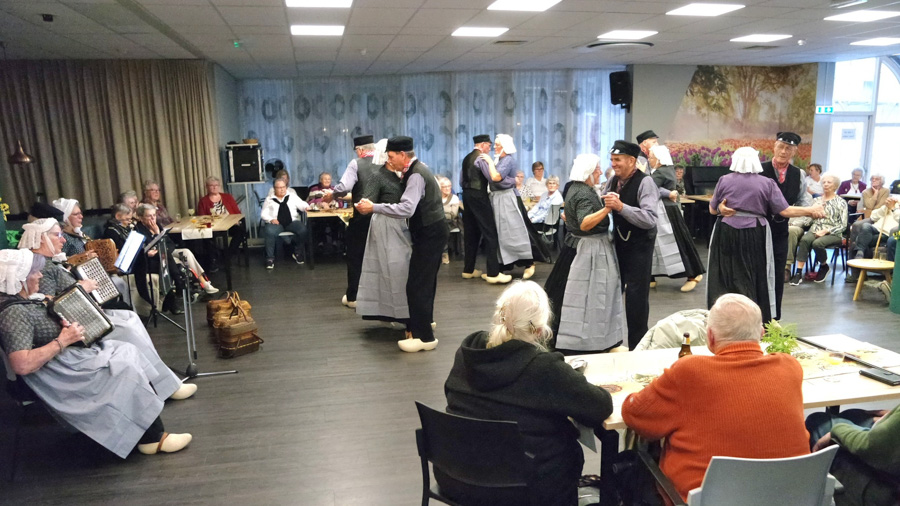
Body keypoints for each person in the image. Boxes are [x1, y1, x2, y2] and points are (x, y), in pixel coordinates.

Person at [0, 248, 193, 458]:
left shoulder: (25, 300)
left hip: (66, 357)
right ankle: (152, 438)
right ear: (18, 278)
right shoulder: (13, 312)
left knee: (128, 350)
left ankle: (148, 422)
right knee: (123, 364)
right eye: (34, 272)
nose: (39, 275)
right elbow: (21, 364)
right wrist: (62, 339)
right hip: (57, 370)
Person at [622, 293, 811, 502]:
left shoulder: (690, 371)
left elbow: (634, 415)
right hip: (786, 498)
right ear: (762, 333)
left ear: (710, 337)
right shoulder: (790, 367)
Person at [443, 280, 614, 506]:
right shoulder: (543, 368)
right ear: (541, 330)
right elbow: (600, 406)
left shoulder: (467, 353)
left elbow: (450, 393)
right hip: (526, 488)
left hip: (458, 476)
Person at [709, 147, 823, 322]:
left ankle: (726, 317)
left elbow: (712, 209)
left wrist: (721, 209)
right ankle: (752, 318)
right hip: (754, 232)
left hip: (727, 231)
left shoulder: (724, 180)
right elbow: (785, 211)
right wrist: (811, 210)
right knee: (754, 273)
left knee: (728, 272)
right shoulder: (766, 183)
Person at [356, 136, 448, 352]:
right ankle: (423, 326)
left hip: (429, 233)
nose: (390, 161)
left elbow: (407, 209)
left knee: (417, 285)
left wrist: (375, 207)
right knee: (423, 283)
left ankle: (423, 336)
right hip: (432, 231)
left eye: (392, 157)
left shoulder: (416, 175)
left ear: (402, 155)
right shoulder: (419, 169)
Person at [543, 154, 624, 353]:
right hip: (589, 249)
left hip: (574, 245)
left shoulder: (574, 187)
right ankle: (583, 342)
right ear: (588, 172)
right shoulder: (584, 193)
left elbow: (570, 216)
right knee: (589, 295)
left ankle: (554, 336)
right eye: (597, 168)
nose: (599, 171)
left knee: (561, 293)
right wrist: (607, 209)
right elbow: (585, 223)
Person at [603, 140, 658, 350]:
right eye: (612, 160)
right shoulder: (612, 181)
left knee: (636, 299)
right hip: (618, 242)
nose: (613, 164)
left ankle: (638, 348)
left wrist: (621, 207)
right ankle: (613, 343)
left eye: (617, 160)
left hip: (640, 247)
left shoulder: (646, 183)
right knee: (613, 293)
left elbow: (649, 218)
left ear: (632, 161)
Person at [753, 132, 811, 320]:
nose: (784, 151)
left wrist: (799, 219)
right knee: (757, 271)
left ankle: (773, 317)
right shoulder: (759, 169)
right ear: (774, 147)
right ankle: (753, 316)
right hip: (758, 229)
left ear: (794, 151)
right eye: (781, 147)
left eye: (789, 148)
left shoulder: (799, 174)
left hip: (780, 231)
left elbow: (803, 200)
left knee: (778, 274)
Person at [355, 139, 411, 326]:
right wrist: (366, 205)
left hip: (399, 223)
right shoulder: (377, 176)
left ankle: (402, 311)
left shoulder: (399, 175)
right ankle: (393, 312)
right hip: (385, 224)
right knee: (391, 269)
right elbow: (366, 203)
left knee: (399, 269)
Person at [323, 135, 378, 308]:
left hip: (362, 218)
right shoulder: (385, 163)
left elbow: (345, 187)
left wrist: (332, 194)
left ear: (360, 150)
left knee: (356, 256)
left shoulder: (356, 164)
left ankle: (353, 297)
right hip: (383, 216)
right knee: (380, 257)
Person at [806, 405, 900, 506]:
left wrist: (835, 431)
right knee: (854, 414)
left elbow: (871, 446)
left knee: (819, 421)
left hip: (891, 489)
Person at [647, 145, 705, 292]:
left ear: (659, 160)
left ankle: (694, 273)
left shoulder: (661, 172)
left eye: (652, 157)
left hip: (665, 212)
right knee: (657, 245)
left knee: (677, 243)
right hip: (664, 210)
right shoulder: (665, 170)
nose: (649, 159)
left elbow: (647, 188)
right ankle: (650, 276)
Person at [134, 204, 219, 300]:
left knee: (186, 252)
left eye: (154, 215)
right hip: (156, 257)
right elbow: (146, 249)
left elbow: (170, 244)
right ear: (141, 218)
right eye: (149, 216)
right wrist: (158, 236)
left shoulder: (157, 225)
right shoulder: (138, 230)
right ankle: (182, 286)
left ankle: (203, 282)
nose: (153, 218)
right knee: (170, 257)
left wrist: (159, 236)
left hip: (166, 251)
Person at [460, 134, 508, 284]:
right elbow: (491, 178)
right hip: (479, 196)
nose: (490, 147)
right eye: (488, 144)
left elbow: (462, 180)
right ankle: (493, 273)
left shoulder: (466, 158)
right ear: (482, 145)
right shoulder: (481, 158)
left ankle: (468, 270)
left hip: (466, 196)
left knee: (471, 233)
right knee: (490, 232)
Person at [789, 172, 848, 284]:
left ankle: (824, 266)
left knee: (817, 243)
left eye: (829, 182)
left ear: (835, 186)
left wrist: (827, 230)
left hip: (833, 233)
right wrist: (810, 216)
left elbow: (843, 225)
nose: (825, 184)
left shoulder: (841, 202)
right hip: (815, 229)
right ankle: (798, 272)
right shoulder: (816, 201)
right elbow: (808, 220)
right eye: (824, 182)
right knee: (805, 240)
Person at [491, 134, 536, 279]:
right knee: (502, 232)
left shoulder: (508, 160)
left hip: (506, 199)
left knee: (514, 230)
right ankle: (504, 263)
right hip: (498, 198)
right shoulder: (500, 159)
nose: (495, 147)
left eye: (497, 145)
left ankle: (528, 261)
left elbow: (496, 178)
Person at [260, 177, 310, 270]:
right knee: (269, 231)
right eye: (279, 187)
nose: (282, 189)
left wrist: (306, 207)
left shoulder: (292, 196)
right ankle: (270, 258)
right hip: (276, 223)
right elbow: (263, 214)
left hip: (291, 221)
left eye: (283, 187)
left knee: (303, 230)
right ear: (274, 188)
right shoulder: (269, 199)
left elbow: (302, 204)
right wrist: (271, 219)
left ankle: (298, 252)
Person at [438, 176, 460, 265]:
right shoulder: (436, 197)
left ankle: (444, 253)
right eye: (445, 186)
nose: (447, 188)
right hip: (438, 221)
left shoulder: (454, 198)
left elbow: (453, 214)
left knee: (442, 228)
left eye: (449, 186)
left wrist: (440, 212)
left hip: (450, 222)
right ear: (440, 188)